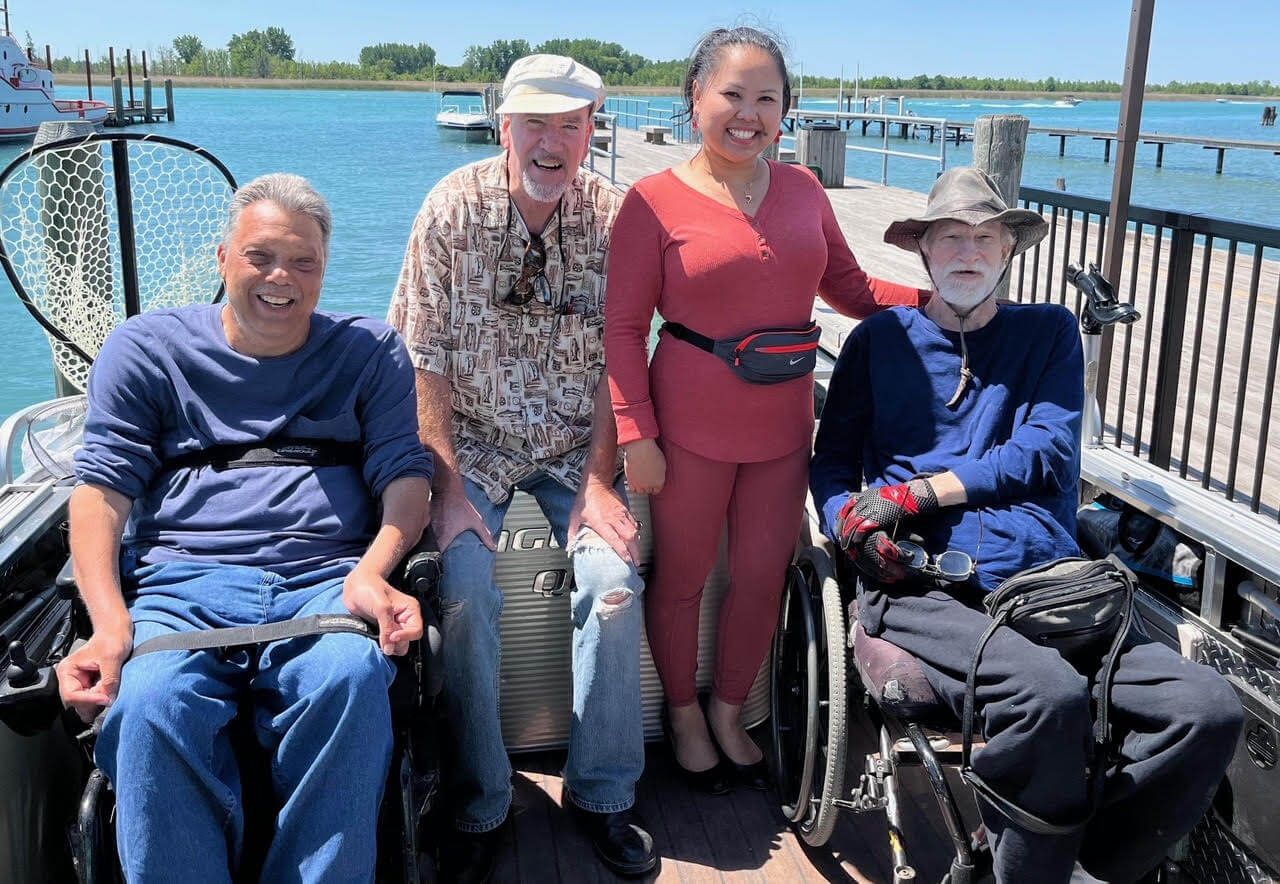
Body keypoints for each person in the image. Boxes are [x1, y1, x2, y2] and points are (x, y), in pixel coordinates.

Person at [810, 167, 1244, 883]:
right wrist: (850, 522)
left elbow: (1043, 453)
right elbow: (830, 467)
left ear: (1010, 250)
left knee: (1206, 709)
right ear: (923, 249)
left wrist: (917, 493)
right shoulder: (878, 341)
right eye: (951, 236)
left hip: (1047, 580)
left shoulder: (1049, 332)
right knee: (1048, 696)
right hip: (925, 585)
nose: (968, 252)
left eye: (986, 237)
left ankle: (1080, 863)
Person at [55, 173, 434, 882]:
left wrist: (372, 573)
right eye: (261, 257)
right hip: (180, 585)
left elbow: (406, 480)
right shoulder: (146, 349)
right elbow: (101, 494)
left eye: (303, 262)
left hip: (325, 580)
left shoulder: (370, 350)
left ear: (324, 270)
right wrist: (109, 626)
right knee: (149, 704)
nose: (281, 278)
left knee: (351, 678)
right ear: (223, 257)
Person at [604, 26, 924, 793]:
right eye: (732, 95)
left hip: (782, 427)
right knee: (683, 578)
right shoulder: (651, 202)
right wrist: (636, 433)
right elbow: (621, 329)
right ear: (695, 99)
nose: (748, 114)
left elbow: (851, 289)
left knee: (760, 576)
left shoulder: (805, 190)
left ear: (786, 110)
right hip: (689, 425)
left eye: (767, 99)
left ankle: (727, 709)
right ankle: (683, 713)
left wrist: (941, 301)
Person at [387, 54, 657, 881]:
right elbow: (423, 357)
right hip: (471, 439)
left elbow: (622, 358)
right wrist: (446, 487)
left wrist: (600, 480)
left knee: (613, 584)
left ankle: (603, 794)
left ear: (591, 132)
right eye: (535, 123)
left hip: (579, 443)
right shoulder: (449, 208)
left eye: (570, 126)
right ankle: (480, 800)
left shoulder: (617, 218)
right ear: (504, 127)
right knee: (463, 586)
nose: (552, 143)